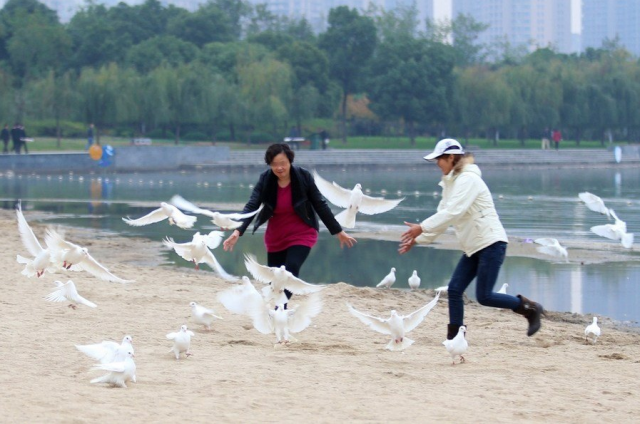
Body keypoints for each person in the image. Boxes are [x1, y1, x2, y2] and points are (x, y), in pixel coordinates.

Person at [398, 138, 545, 340]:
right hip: (473, 246)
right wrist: (419, 238)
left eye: (439, 159)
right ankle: (455, 339)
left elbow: (453, 212)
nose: (437, 164)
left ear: (451, 157)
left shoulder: (468, 180)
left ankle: (530, 309)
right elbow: (443, 216)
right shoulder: (451, 183)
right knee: (454, 290)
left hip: (491, 243)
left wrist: (421, 228)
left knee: (484, 296)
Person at [223, 143, 356, 308]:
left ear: (290, 161)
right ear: (269, 165)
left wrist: (338, 231)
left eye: (283, 163)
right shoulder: (265, 179)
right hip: (276, 237)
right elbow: (252, 205)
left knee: (290, 270)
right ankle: (280, 310)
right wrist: (237, 231)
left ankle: (280, 308)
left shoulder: (303, 177)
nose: (279, 168)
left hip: (302, 234)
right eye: (274, 164)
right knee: (276, 278)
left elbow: (320, 204)